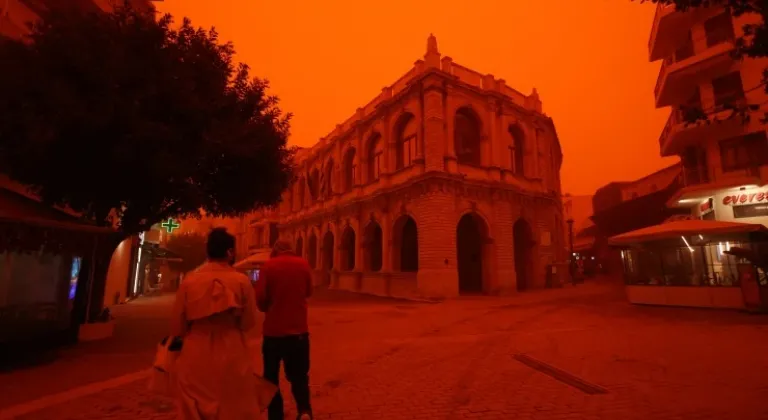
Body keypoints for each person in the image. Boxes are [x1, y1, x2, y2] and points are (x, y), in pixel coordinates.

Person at [171, 228, 266, 419]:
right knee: (233, 405)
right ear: (230, 252)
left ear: (208, 251)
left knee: (195, 406)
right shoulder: (241, 281)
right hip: (231, 348)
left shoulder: (190, 280)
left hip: (196, 349)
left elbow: (177, 325)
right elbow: (249, 322)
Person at [255, 240, 314, 420]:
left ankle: (276, 415)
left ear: (275, 250)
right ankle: (304, 411)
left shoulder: (268, 266)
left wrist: (269, 306)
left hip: (274, 332)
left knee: (271, 378)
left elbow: (260, 298)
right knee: (300, 376)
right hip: (299, 332)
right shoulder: (304, 264)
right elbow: (309, 292)